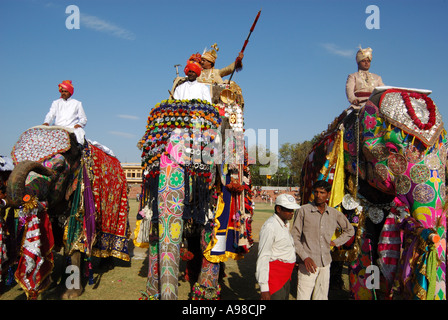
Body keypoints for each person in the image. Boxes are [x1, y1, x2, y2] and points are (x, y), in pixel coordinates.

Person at [292, 180, 354, 300]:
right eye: (316, 192)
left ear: (329, 194)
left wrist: (335, 242)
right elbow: (294, 237)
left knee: (321, 297)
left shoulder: (334, 214)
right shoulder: (303, 211)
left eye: (322, 192)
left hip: (325, 262)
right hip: (308, 263)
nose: (319, 195)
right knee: (303, 296)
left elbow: (350, 230)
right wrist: (305, 257)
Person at [256, 193, 300, 300]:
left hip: (285, 276)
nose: (292, 213)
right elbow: (263, 256)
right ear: (279, 209)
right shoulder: (270, 227)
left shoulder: (284, 224)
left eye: (292, 210)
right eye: (289, 210)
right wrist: (264, 288)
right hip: (275, 277)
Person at [43, 80, 87, 144]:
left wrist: (79, 124)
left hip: (72, 129)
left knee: (80, 141)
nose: (63, 93)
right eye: (62, 91)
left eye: (65, 91)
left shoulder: (77, 103)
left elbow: (83, 118)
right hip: (58, 128)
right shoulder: (56, 103)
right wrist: (47, 122)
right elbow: (50, 114)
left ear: (70, 92)